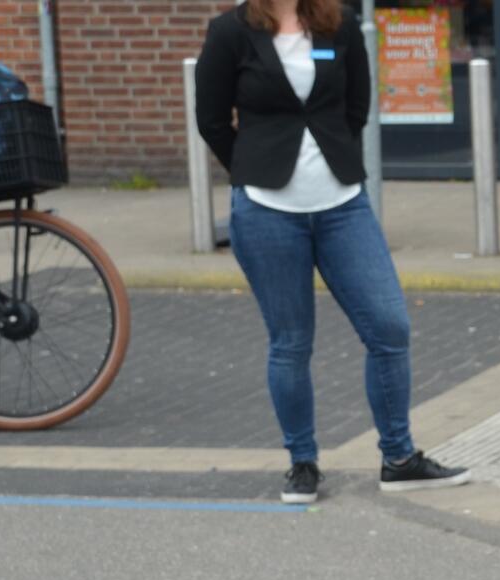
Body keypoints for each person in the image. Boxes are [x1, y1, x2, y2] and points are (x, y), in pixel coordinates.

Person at [195, 0, 470, 505]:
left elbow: (356, 108)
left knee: (389, 328)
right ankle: (302, 464)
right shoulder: (229, 31)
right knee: (291, 342)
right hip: (266, 210)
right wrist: (253, 168)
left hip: (343, 204)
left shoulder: (338, 22)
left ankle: (399, 458)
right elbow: (211, 119)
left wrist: (330, 157)